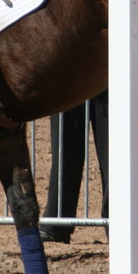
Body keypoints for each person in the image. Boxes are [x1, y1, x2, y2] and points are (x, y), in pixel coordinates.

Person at [38, 91, 109, 244]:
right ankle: (56, 222)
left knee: (113, 157)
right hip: (69, 78)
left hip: (109, 77)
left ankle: (118, 223)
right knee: (64, 151)